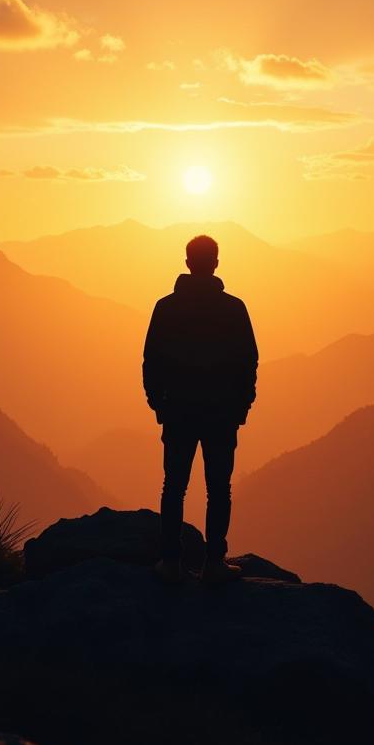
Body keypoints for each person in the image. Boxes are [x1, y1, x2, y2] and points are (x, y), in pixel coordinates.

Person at [142, 234, 258, 584]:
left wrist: (157, 403)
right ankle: (214, 564)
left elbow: (151, 360)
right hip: (221, 412)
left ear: (188, 261)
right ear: (216, 263)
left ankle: (171, 562)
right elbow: (248, 361)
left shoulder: (166, 307)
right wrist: (241, 405)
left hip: (178, 410)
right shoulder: (233, 308)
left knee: (174, 486)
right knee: (218, 488)